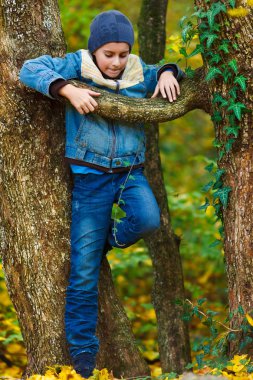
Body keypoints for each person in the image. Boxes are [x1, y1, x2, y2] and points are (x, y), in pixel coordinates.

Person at [19, 9, 185, 378]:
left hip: (130, 173)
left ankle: (109, 239)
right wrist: (66, 88)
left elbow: (164, 68)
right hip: (90, 179)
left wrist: (171, 71)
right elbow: (29, 68)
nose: (116, 62)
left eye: (123, 54)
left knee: (147, 219)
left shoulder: (138, 71)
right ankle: (83, 351)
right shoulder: (76, 66)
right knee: (82, 270)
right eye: (109, 54)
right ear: (95, 50)